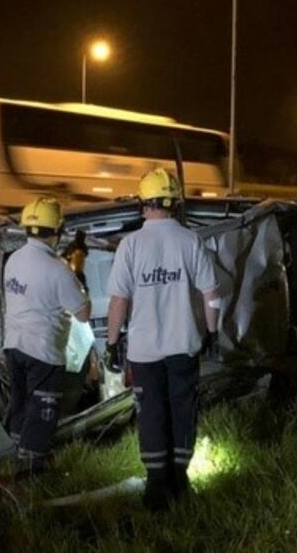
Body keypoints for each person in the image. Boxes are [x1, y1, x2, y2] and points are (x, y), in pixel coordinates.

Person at [106, 168, 220, 511]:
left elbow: (118, 301)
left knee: (151, 412)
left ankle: (157, 485)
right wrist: (212, 332)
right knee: (183, 408)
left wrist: (113, 342)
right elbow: (212, 294)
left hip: (144, 351)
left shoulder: (131, 245)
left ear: (144, 204)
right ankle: (180, 479)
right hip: (183, 345)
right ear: (176, 203)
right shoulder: (191, 241)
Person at [3, 197, 91, 480]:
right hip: (43, 350)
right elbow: (83, 314)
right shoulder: (59, 271)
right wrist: (77, 272)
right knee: (43, 409)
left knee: (20, 404)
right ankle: (30, 472)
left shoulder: (14, 259)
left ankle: (15, 453)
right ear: (59, 229)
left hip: (14, 346)